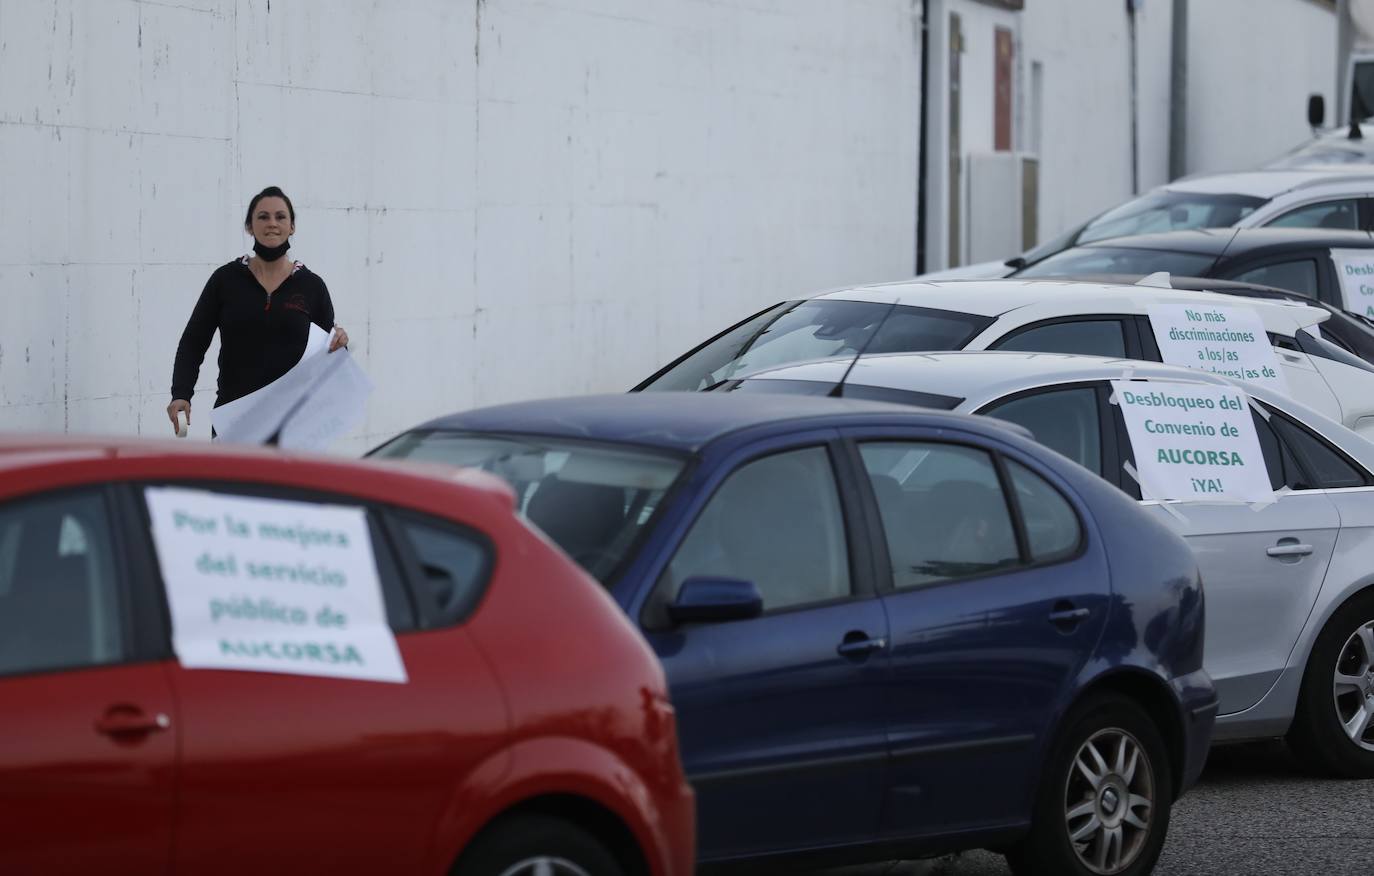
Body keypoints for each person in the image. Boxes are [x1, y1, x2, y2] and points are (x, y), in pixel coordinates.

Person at [167, 186, 348, 437]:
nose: (272, 223)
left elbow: (330, 360)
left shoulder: (312, 286)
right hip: (234, 422)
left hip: (292, 427)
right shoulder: (225, 280)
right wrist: (181, 393)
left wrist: (340, 344)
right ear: (249, 226)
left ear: (292, 227)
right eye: (263, 217)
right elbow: (193, 342)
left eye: (280, 217)